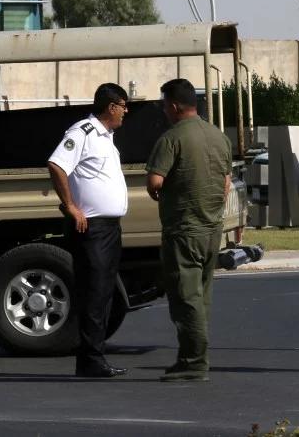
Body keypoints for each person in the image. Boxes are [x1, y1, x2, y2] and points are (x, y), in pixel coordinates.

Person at [146, 78, 233, 383]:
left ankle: (194, 361)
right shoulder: (218, 136)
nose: (163, 110)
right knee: (201, 297)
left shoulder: (172, 139)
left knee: (186, 299)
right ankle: (191, 356)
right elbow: (225, 183)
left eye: (163, 104)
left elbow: (155, 182)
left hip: (184, 229)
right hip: (212, 228)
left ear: (173, 105)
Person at [47, 83, 131, 378]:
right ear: (111, 106)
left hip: (110, 227)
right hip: (92, 227)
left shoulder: (107, 137)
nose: (126, 111)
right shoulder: (83, 132)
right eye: (123, 105)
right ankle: (90, 360)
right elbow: (57, 165)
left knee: (105, 293)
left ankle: (94, 357)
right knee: (94, 292)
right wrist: (70, 206)